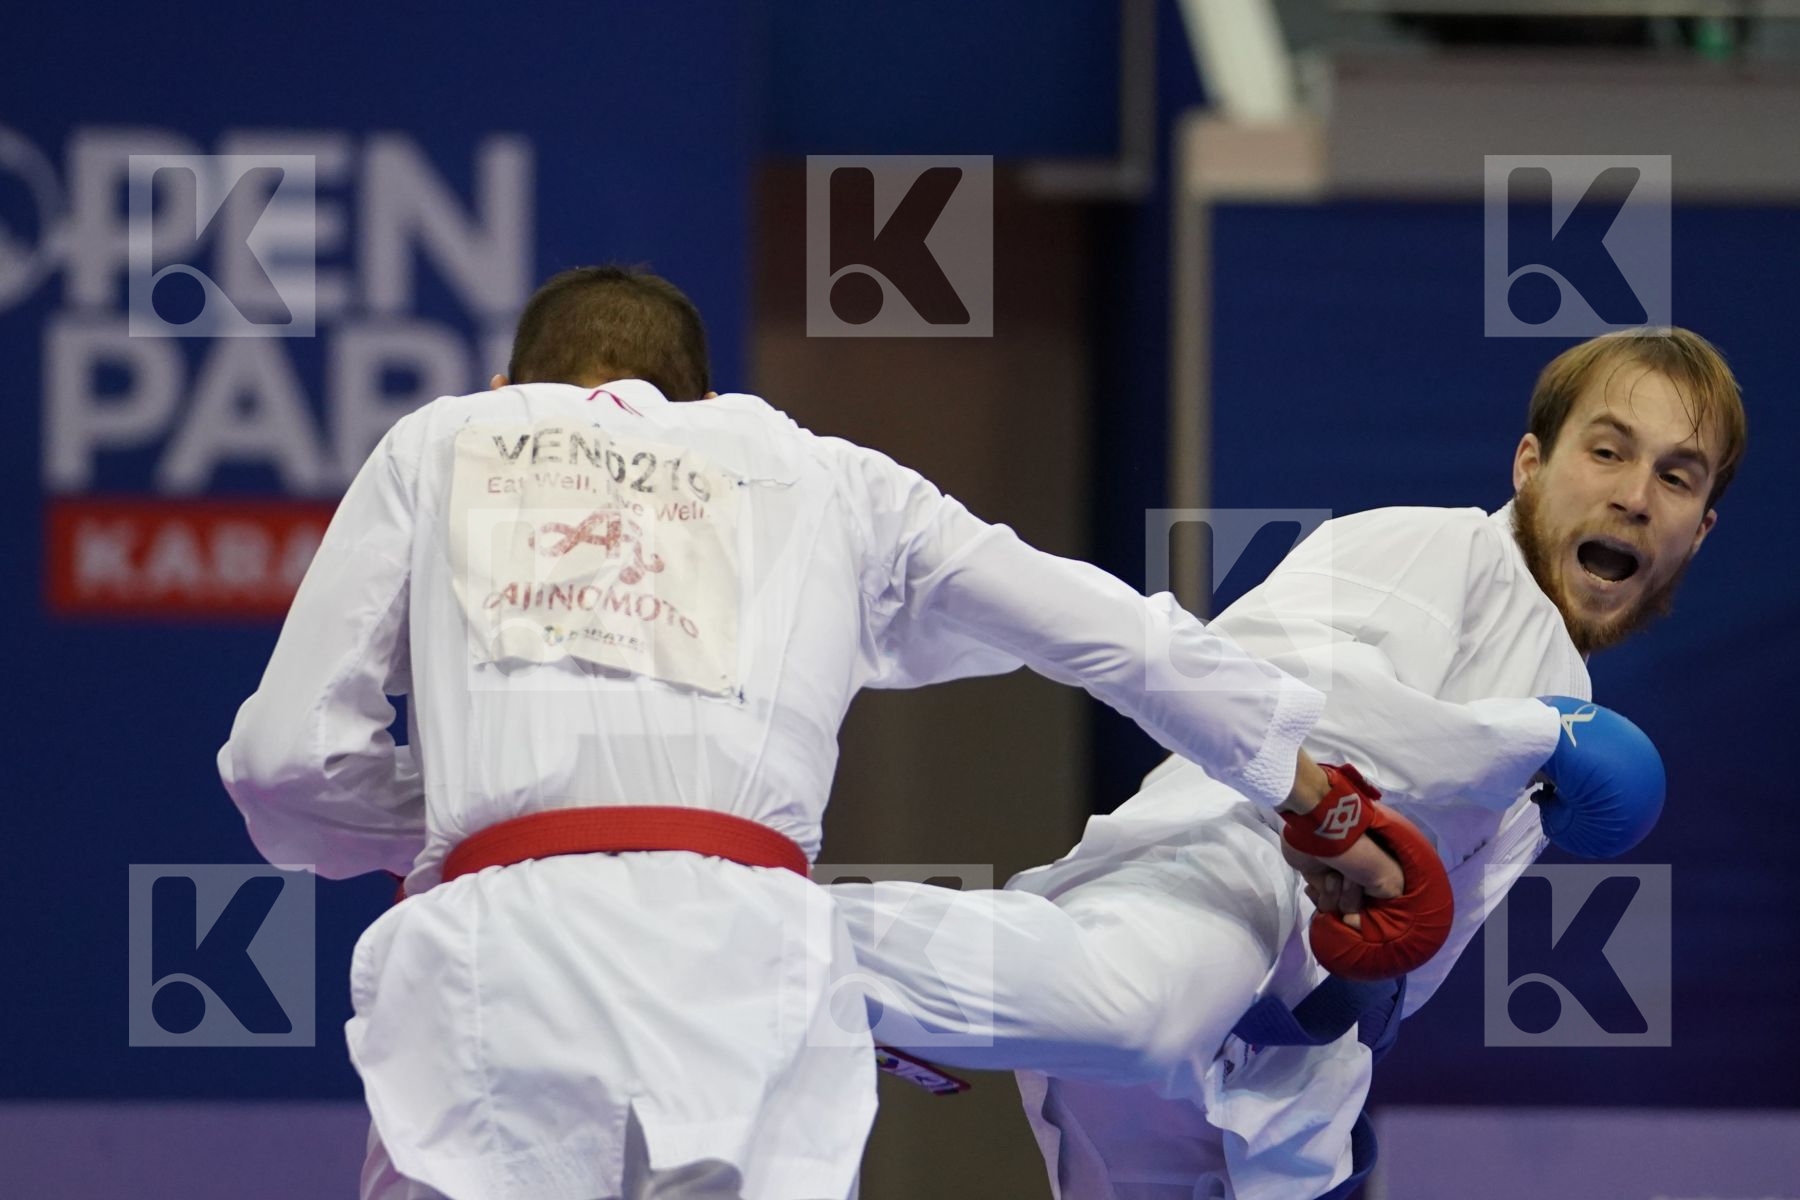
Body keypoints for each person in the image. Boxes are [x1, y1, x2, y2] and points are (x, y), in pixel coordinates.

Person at [216, 265, 1408, 1200]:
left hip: (499, 956)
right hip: (752, 964)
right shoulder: (822, 474)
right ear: (703, 399)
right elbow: (1109, 633)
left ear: (508, 390)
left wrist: (467, 823)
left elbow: (283, 759)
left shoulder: (445, 443)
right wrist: (1318, 799)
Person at [831, 327, 1746, 1199]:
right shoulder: (1437, 550)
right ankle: (792, 937)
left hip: (1257, 1075)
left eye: (1675, 476)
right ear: (1530, 465)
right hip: (1208, 889)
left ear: (1699, 531)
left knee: (1150, 1040)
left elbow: (1403, 934)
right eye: (1608, 451)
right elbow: (1265, 682)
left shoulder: (1557, 700)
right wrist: (1529, 737)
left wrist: (1328, 1111)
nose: (1635, 495)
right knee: (1138, 1016)